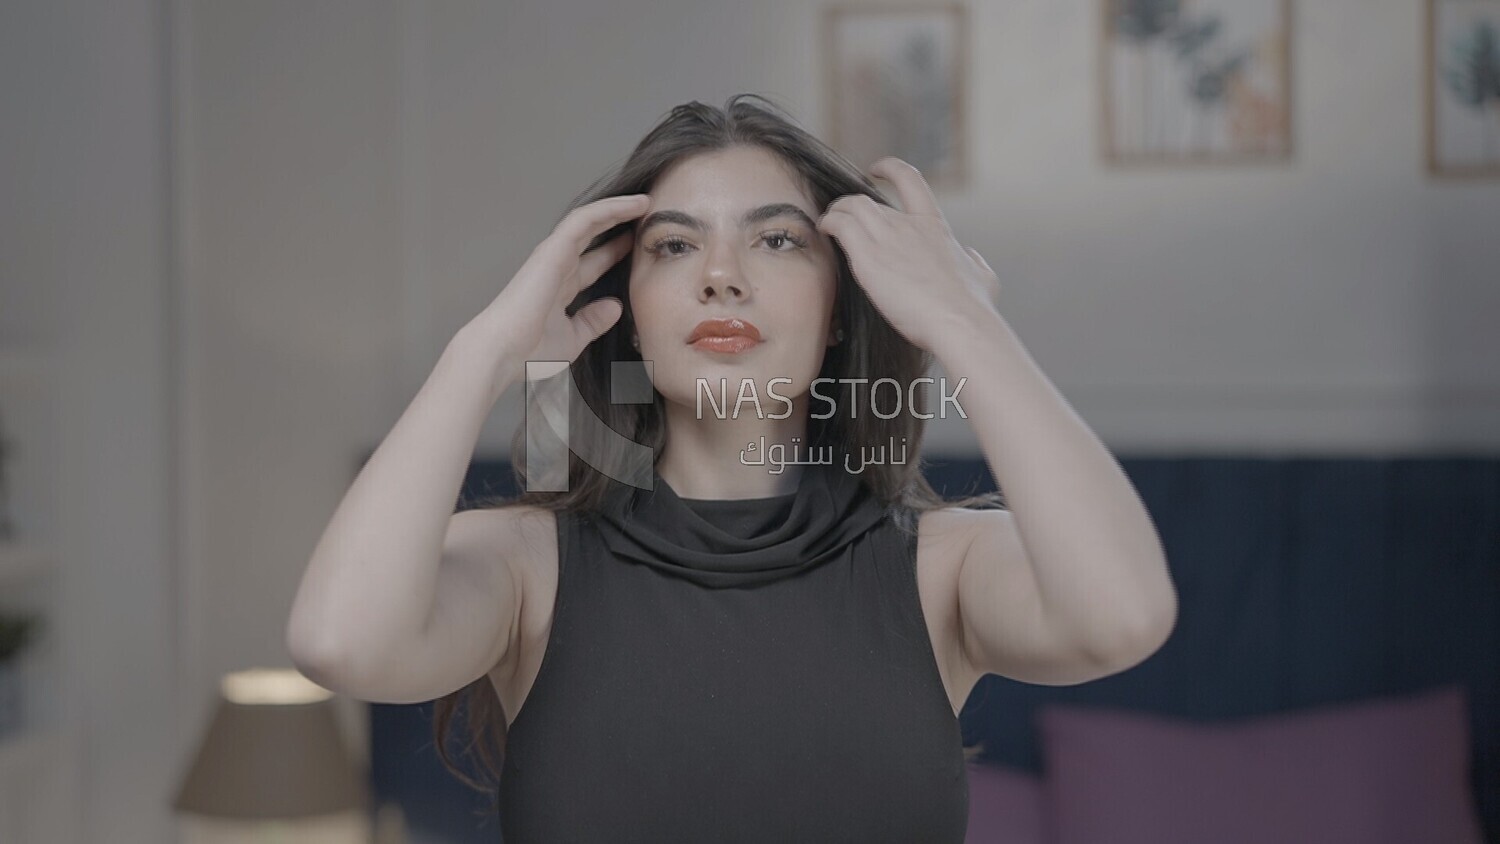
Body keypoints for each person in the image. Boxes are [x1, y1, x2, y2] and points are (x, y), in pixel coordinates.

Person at [286, 94, 1178, 843]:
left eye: (778, 241)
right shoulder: (527, 567)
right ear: (628, 312)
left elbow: (1122, 618)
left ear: (840, 311)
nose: (721, 275)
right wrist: (484, 351)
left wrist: (964, 324)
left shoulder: (943, 567)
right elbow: (341, 644)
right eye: (673, 246)